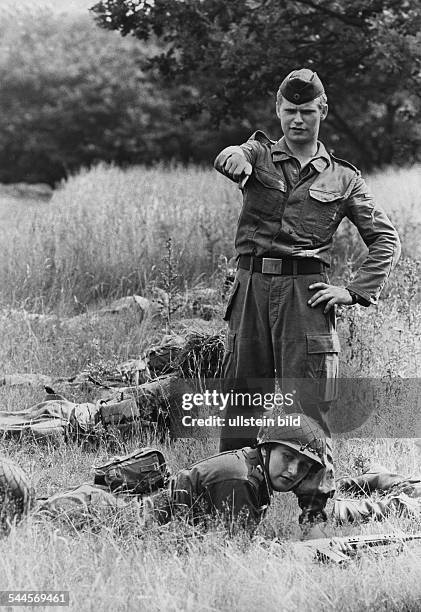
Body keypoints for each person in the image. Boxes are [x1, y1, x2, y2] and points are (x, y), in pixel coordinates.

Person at [213, 68, 401, 523]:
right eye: (290, 110)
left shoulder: (343, 178)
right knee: (242, 400)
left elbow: (386, 240)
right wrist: (232, 157)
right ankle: (231, 513)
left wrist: (353, 291)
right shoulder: (256, 154)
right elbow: (232, 154)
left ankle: (317, 517)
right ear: (278, 110)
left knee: (309, 404)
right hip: (253, 290)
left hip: (307, 296)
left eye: (307, 111)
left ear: (323, 111)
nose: (297, 119)